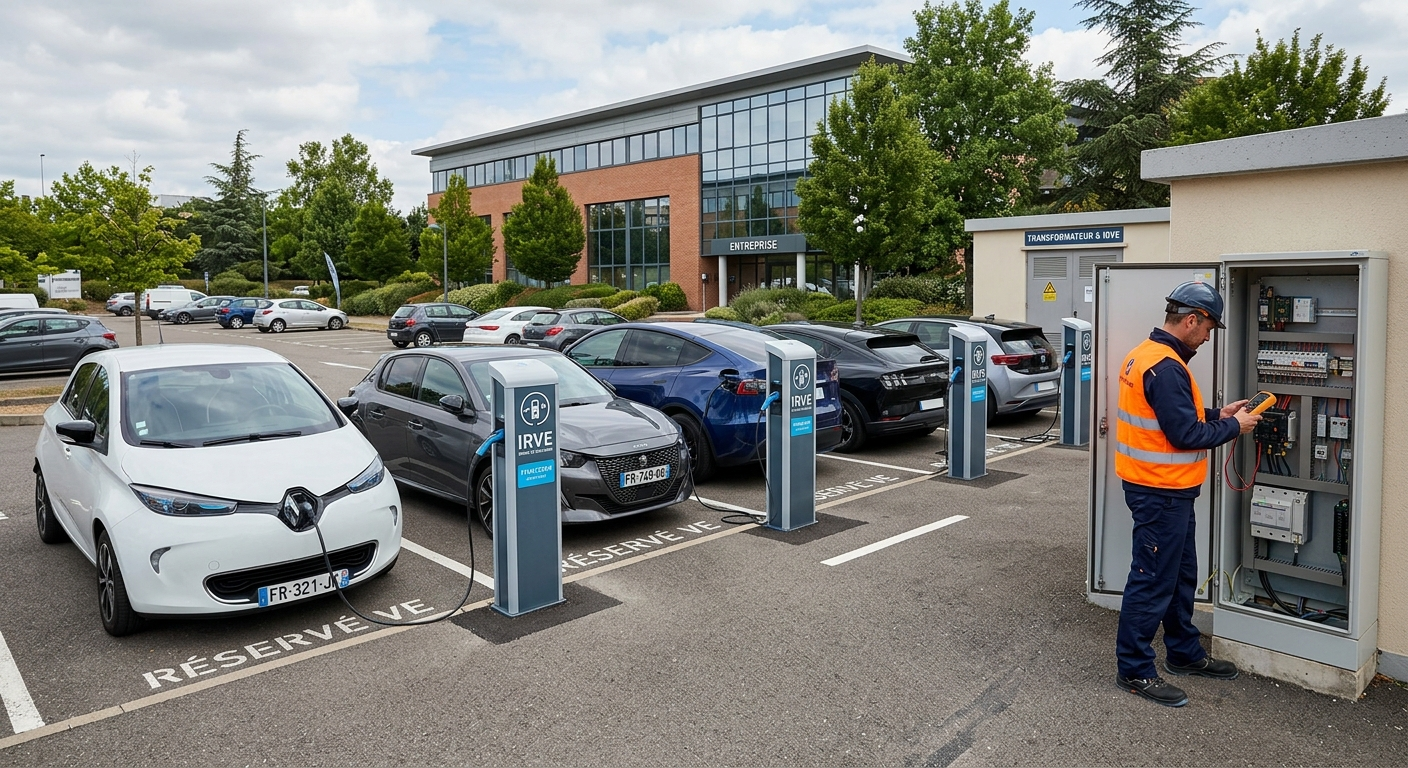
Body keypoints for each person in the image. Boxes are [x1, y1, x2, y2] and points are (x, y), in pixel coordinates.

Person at [1114, 280, 1261, 707]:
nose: (1210, 335)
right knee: (1152, 580)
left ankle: (1183, 653)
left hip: (1168, 491)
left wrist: (1221, 413)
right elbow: (1184, 434)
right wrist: (1236, 427)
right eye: (1210, 326)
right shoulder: (1165, 366)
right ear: (1191, 319)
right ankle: (1135, 670)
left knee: (1180, 577)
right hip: (1158, 492)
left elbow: (1175, 417)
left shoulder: (1150, 356)